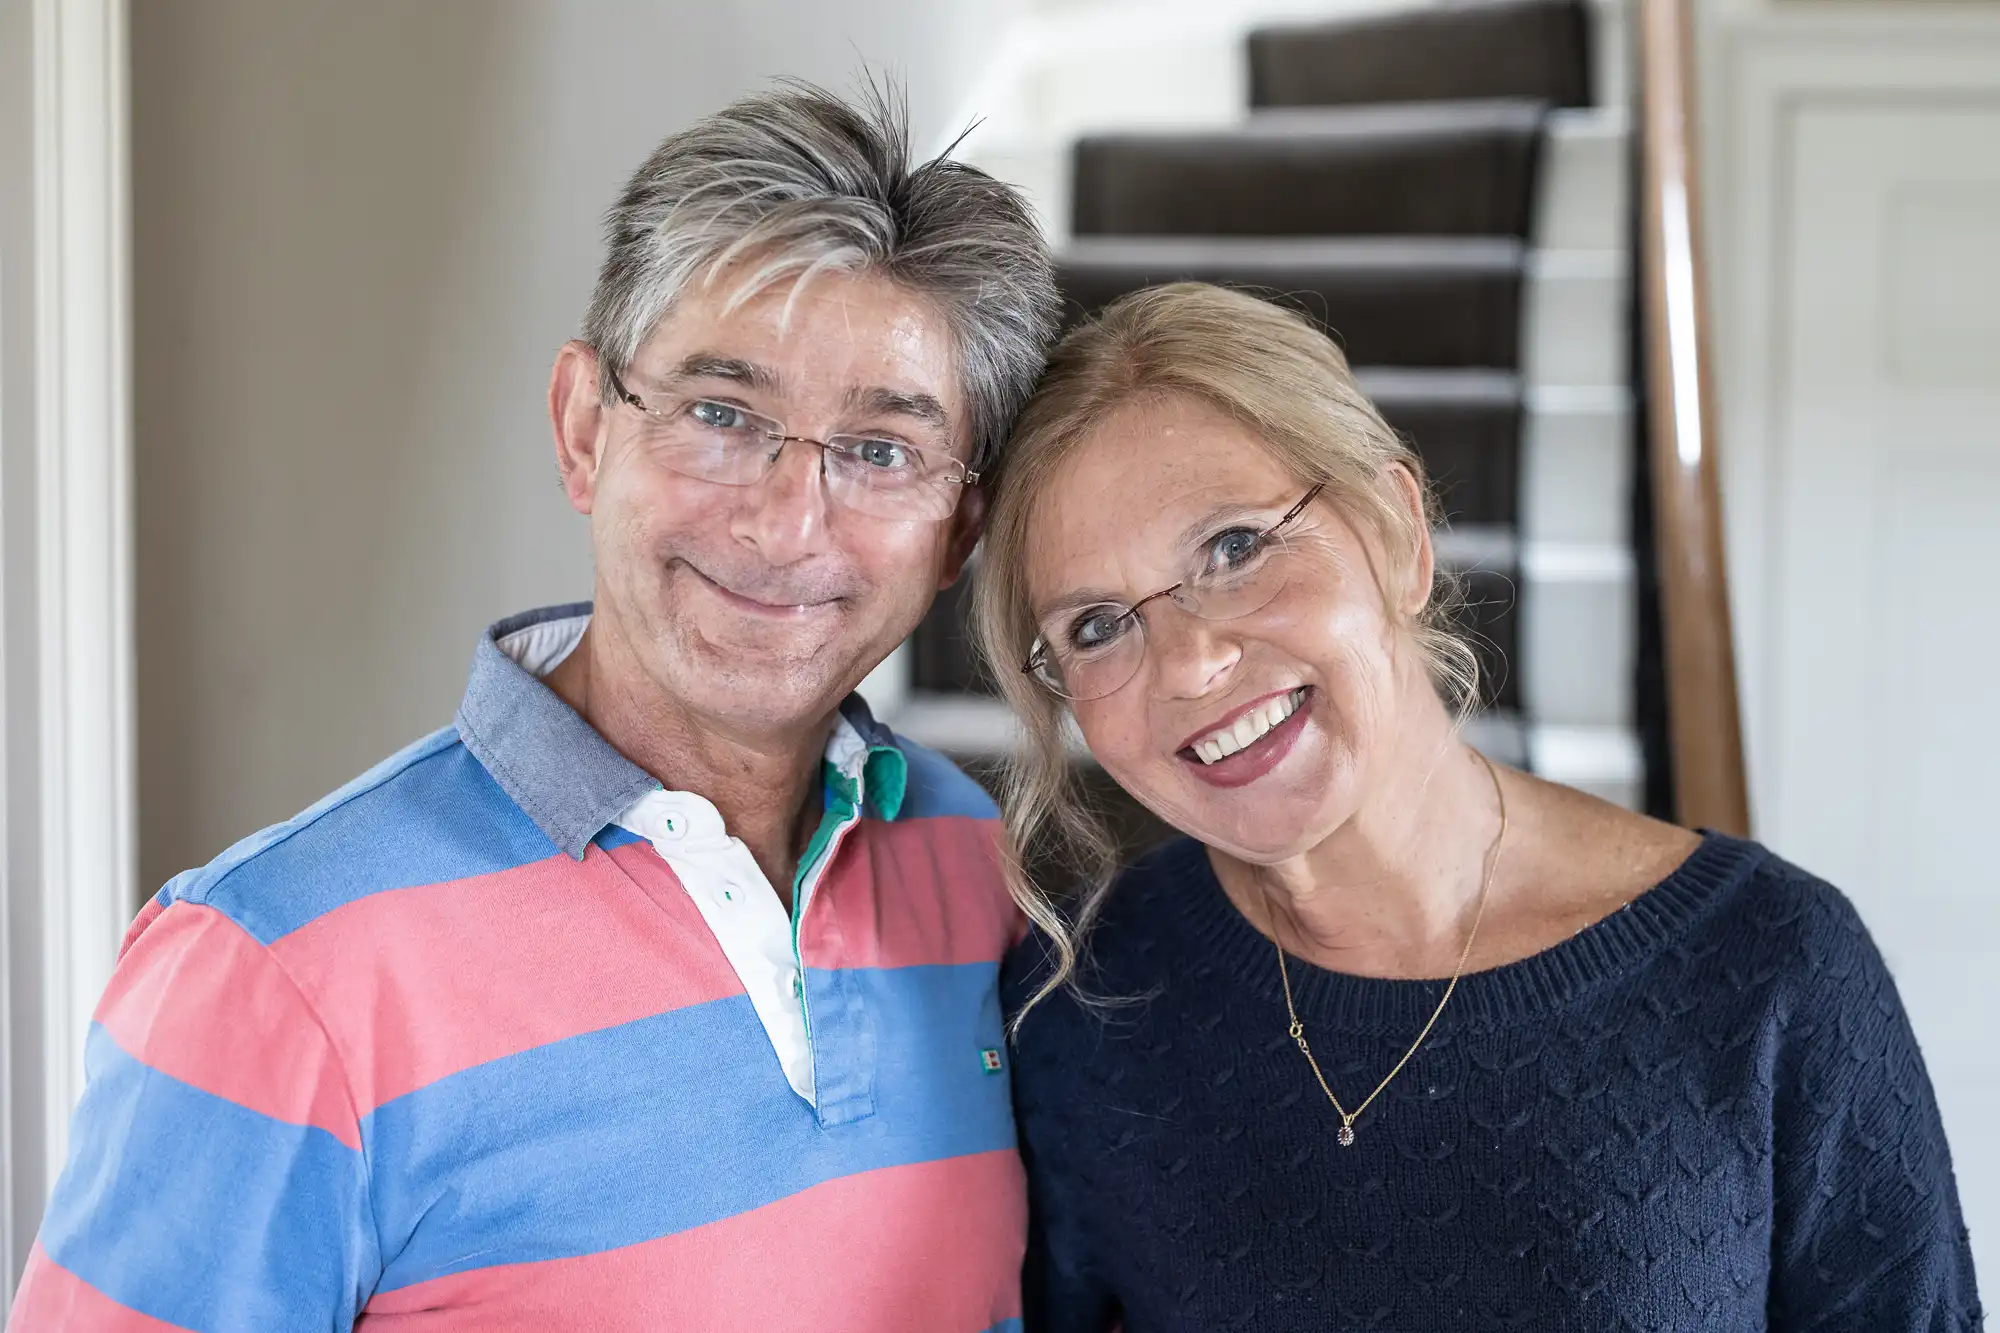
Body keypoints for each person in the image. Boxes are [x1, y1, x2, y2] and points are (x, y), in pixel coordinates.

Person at [12, 83, 1057, 1331]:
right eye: (722, 416)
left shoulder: (974, 868)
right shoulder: (271, 967)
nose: (787, 523)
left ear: (960, 530)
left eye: (880, 450)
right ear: (581, 430)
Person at [971, 282, 1984, 1332]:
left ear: (1400, 535)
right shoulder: (1078, 1012)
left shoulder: (1767, 966)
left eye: (1232, 548)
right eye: (1095, 625)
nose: (1189, 664)